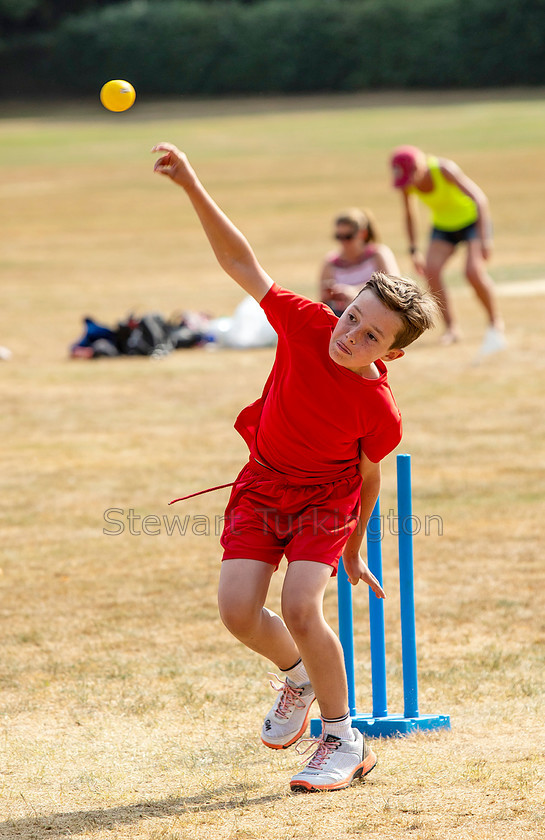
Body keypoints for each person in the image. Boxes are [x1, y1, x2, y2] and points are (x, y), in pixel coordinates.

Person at [153, 142, 438, 793]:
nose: (351, 335)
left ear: (391, 353)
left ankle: (343, 738)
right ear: (344, 303)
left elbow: (366, 480)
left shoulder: (378, 408)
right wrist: (192, 182)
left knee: (301, 605)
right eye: (353, 317)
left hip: (324, 502)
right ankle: (299, 676)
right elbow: (238, 261)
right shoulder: (307, 323)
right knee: (236, 611)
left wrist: (356, 546)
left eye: (371, 336)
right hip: (261, 486)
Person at [390, 145, 505, 353]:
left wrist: (485, 239)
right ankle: (452, 328)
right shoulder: (409, 184)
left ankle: (495, 322)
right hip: (444, 227)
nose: (407, 184)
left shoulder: (443, 169)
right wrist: (414, 250)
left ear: (419, 168)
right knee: (431, 271)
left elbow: (479, 199)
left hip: (471, 222)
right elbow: (409, 214)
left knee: (472, 272)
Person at [319, 207, 400, 316]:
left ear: (363, 234)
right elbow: (322, 304)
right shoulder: (330, 263)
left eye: (348, 237)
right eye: (339, 237)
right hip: (343, 317)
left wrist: (355, 293)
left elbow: (395, 288)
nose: (343, 242)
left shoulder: (378, 254)